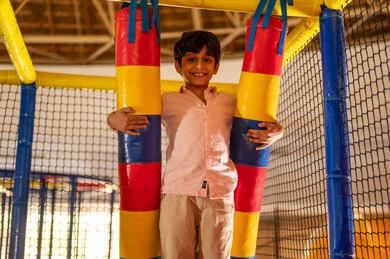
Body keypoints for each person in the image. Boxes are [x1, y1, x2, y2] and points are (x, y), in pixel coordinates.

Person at [107, 30, 283, 259]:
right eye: (191, 59)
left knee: (216, 255)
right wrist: (113, 120)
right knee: (176, 254)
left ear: (216, 67)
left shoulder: (229, 102)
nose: (199, 66)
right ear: (178, 66)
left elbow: (264, 124)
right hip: (178, 190)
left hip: (220, 192)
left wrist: (278, 131)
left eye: (207, 60)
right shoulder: (166, 100)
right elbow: (131, 116)